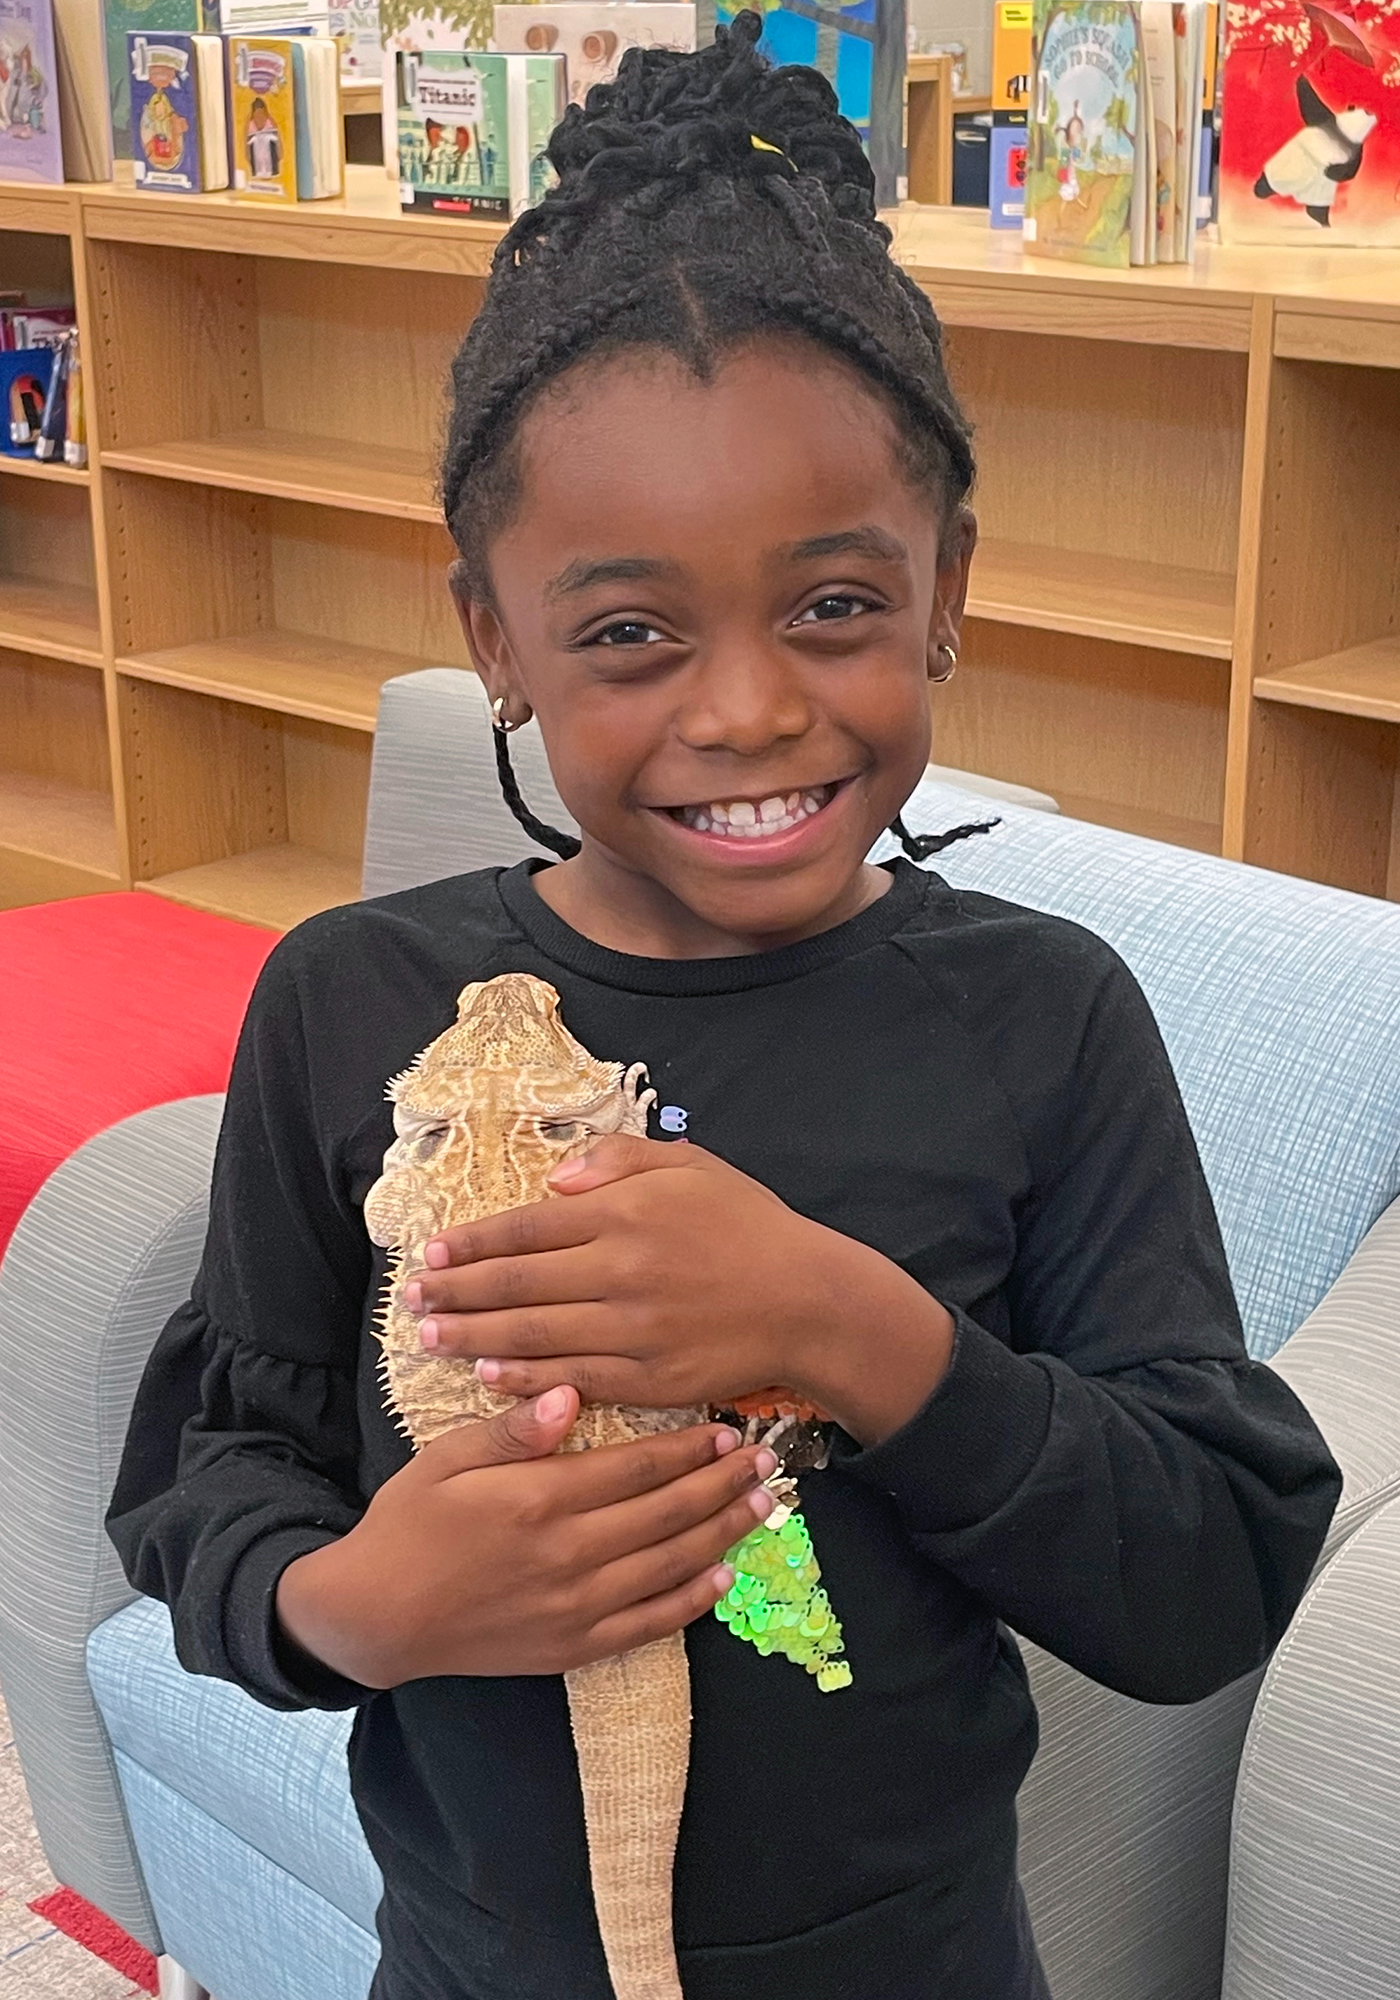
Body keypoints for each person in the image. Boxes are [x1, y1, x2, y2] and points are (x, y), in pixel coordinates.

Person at [106, 16, 1341, 1999]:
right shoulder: (354, 1001)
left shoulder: (1047, 1017)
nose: (749, 704)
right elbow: (206, 1471)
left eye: (835, 604)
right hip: (475, 1958)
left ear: (947, 587)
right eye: (628, 632)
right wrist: (355, 1600)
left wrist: (851, 1329)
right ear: (494, 640)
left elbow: (1209, 1567)